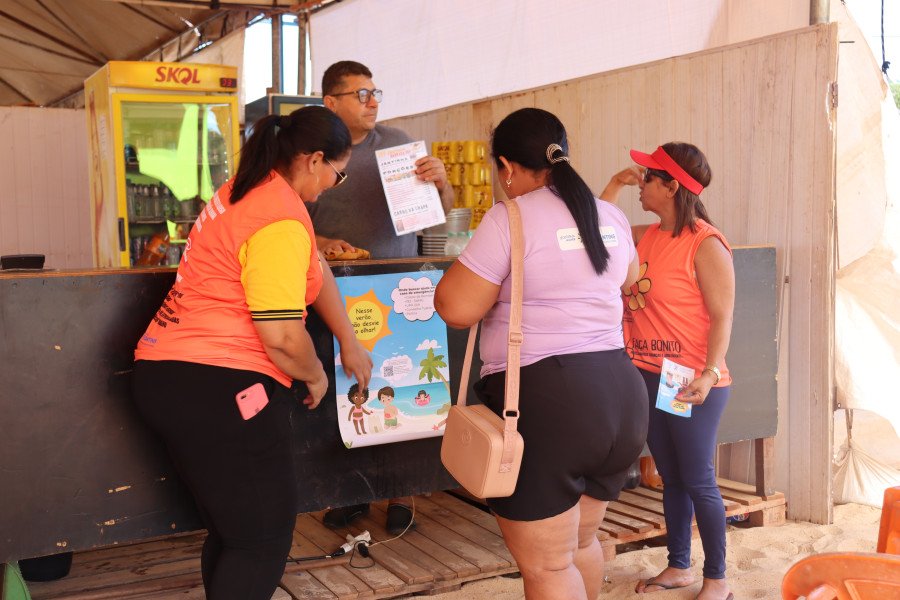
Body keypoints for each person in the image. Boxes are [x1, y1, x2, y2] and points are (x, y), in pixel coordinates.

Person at [132, 106, 372, 600]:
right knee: (262, 539)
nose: (334, 183)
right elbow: (282, 335)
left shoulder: (247, 190)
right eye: (338, 173)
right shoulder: (279, 217)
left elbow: (315, 268)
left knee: (236, 533)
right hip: (222, 385)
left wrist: (347, 339)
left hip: (167, 371)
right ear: (313, 160)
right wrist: (316, 375)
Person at [433, 108, 648, 600]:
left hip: (551, 403)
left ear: (507, 166)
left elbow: (456, 308)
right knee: (580, 546)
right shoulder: (607, 212)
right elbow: (630, 278)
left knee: (549, 568)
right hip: (620, 397)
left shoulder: (511, 217)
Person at [311, 60, 454, 534]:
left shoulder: (397, 145)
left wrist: (442, 183)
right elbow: (288, 216)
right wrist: (320, 243)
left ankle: (402, 494)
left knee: (403, 385)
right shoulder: (313, 151)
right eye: (361, 94)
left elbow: (440, 214)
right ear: (331, 102)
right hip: (331, 290)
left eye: (375, 92)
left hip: (399, 288)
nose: (373, 102)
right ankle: (352, 492)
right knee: (346, 392)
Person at [601, 143, 735, 600]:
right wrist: (617, 184)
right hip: (651, 374)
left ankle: (717, 578)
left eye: (649, 176)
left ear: (672, 186)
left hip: (691, 380)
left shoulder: (706, 243)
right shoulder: (651, 236)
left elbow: (723, 315)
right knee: (672, 476)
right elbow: (600, 228)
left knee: (697, 477)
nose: (642, 181)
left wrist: (710, 373)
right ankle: (679, 566)